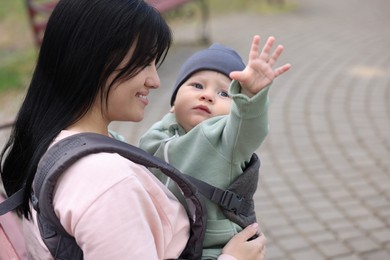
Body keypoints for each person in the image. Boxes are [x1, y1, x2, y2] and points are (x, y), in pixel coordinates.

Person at [0, 0, 266, 259]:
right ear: (96, 58)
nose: (156, 81)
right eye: (144, 62)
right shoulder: (109, 185)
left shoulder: (54, 140)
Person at [139, 35, 291, 259]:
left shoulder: (228, 141)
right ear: (173, 102)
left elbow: (249, 128)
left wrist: (250, 97)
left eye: (223, 94)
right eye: (197, 85)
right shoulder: (155, 135)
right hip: (164, 242)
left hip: (212, 248)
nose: (207, 95)